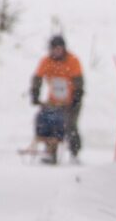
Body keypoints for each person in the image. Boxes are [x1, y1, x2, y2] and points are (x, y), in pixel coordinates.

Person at [30, 35, 84, 164]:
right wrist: (35, 94)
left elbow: (78, 82)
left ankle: (74, 153)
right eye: (54, 49)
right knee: (49, 123)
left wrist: (75, 99)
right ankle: (50, 153)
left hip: (71, 100)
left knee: (70, 125)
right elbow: (37, 78)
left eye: (59, 49)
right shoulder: (46, 62)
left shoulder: (72, 61)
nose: (56, 52)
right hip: (54, 100)